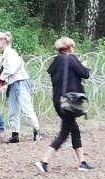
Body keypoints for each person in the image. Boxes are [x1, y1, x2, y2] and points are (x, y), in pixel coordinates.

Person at [35, 37, 93, 172]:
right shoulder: (70, 59)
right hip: (69, 101)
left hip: (58, 101)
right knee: (64, 132)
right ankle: (44, 161)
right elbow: (85, 74)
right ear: (69, 47)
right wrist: (83, 65)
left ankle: (82, 162)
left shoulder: (55, 62)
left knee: (74, 130)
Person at [0, 31, 41, 143]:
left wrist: (0, 80)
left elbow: (10, 69)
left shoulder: (11, 53)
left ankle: (36, 130)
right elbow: (1, 71)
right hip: (12, 84)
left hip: (21, 83)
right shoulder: (4, 55)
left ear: (3, 41)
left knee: (26, 108)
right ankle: (15, 134)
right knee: (13, 110)